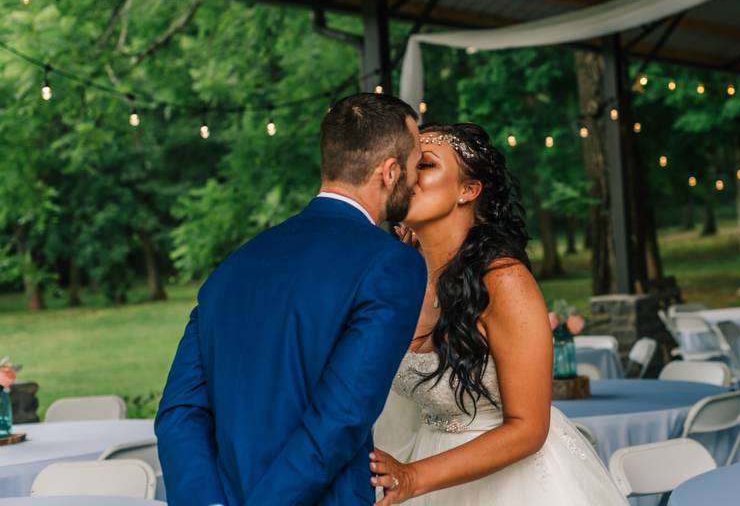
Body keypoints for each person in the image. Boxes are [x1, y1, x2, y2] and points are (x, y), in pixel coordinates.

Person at [155, 93, 428, 505]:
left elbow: (180, 413)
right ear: (389, 172)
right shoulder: (391, 265)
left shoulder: (233, 267)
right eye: (416, 165)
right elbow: (341, 418)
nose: (417, 179)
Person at [371, 123, 627, 505]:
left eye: (424, 165)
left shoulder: (504, 282)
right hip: (427, 465)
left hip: (512, 484)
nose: (409, 177)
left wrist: (412, 477)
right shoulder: (403, 279)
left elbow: (528, 428)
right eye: (405, 165)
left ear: (468, 190)